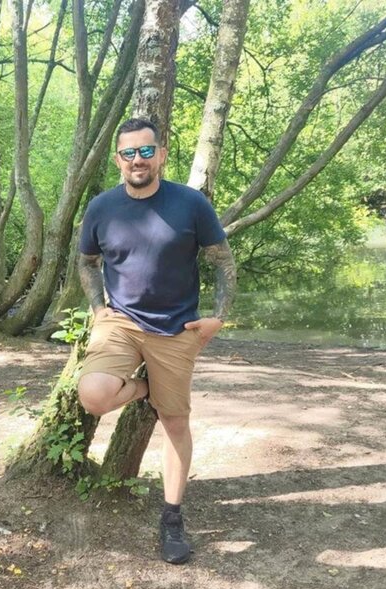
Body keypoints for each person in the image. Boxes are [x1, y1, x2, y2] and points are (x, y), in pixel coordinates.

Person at [77, 117, 236, 564]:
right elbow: (86, 261)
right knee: (94, 395)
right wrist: (97, 308)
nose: (138, 160)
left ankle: (171, 517)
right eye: (129, 153)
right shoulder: (102, 207)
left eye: (146, 151)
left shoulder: (190, 203)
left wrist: (218, 319)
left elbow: (223, 261)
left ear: (161, 155)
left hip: (177, 330)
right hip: (122, 324)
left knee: (175, 423)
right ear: (118, 160)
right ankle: (146, 388)